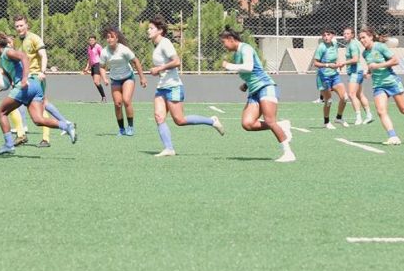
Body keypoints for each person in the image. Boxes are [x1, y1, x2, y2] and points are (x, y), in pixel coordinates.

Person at [147, 15, 224, 157]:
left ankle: (211, 121)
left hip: (173, 87)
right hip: (162, 87)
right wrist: (158, 71)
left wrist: (159, 69)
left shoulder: (165, 43)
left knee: (179, 120)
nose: (148, 30)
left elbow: (177, 62)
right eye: (149, 28)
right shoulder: (157, 46)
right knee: (159, 117)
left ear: (160, 30)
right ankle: (169, 148)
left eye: (151, 28)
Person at [0, 33, 77, 155]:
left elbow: (24, 57)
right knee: (38, 120)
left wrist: (24, 79)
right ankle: (67, 126)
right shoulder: (4, 60)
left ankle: (9, 145)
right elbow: (9, 82)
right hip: (35, 86)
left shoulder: (8, 52)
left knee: (1, 112)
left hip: (26, 85)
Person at [219, 27, 295, 162]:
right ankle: (282, 125)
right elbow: (253, 72)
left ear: (231, 40)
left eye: (224, 42)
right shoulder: (237, 54)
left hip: (266, 87)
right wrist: (246, 85)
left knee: (270, 121)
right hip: (254, 91)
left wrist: (229, 66)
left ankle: (288, 153)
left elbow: (249, 67)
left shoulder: (246, 48)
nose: (223, 46)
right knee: (247, 124)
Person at [13, 15, 70, 148]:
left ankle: (41, 137)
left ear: (27, 25)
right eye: (17, 26)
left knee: (38, 105)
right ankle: (63, 124)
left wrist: (42, 72)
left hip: (36, 77)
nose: (19, 28)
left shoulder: (34, 38)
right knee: (36, 104)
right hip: (25, 78)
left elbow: (43, 55)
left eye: (21, 25)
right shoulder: (17, 41)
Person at [99, 26, 148, 136]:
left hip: (127, 77)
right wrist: (104, 78)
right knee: (117, 104)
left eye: (112, 37)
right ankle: (121, 129)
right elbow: (101, 67)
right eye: (108, 37)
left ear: (117, 38)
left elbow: (136, 62)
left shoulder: (124, 49)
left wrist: (142, 77)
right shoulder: (104, 52)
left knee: (126, 100)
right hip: (115, 79)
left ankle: (130, 127)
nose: (110, 39)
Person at [312, 29, 349, 129]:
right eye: (324, 35)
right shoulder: (321, 47)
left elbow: (336, 57)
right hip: (323, 77)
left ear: (333, 35)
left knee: (344, 97)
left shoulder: (335, 43)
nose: (326, 37)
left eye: (328, 35)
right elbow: (315, 63)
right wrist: (328, 65)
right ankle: (326, 122)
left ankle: (339, 118)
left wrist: (339, 63)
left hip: (335, 76)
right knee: (328, 101)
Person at [336, 27, 373, 125]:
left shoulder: (352, 45)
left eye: (348, 34)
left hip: (355, 72)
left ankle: (358, 117)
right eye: (344, 34)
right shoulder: (350, 44)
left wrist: (343, 63)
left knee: (352, 94)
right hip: (357, 71)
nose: (345, 35)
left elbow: (356, 59)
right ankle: (369, 115)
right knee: (359, 94)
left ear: (352, 35)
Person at [83, 35, 107, 102]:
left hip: (98, 64)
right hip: (93, 66)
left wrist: (103, 66)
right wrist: (87, 68)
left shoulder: (98, 47)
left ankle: (104, 97)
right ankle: (103, 97)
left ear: (95, 40)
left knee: (96, 81)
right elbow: (89, 59)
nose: (91, 41)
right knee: (96, 82)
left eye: (93, 40)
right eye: (90, 40)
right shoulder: (89, 48)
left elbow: (102, 56)